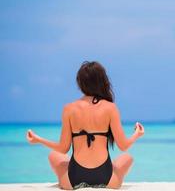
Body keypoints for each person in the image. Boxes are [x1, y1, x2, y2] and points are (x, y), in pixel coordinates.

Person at [26, 61, 145, 190]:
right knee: (127, 158)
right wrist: (137, 134)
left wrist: (38, 139)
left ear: (80, 83)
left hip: (73, 179)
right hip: (107, 178)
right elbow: (123, 146)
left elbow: (63, 148)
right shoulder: (110, 108)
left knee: (54, 155)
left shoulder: (69, 109)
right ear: (103, 81)